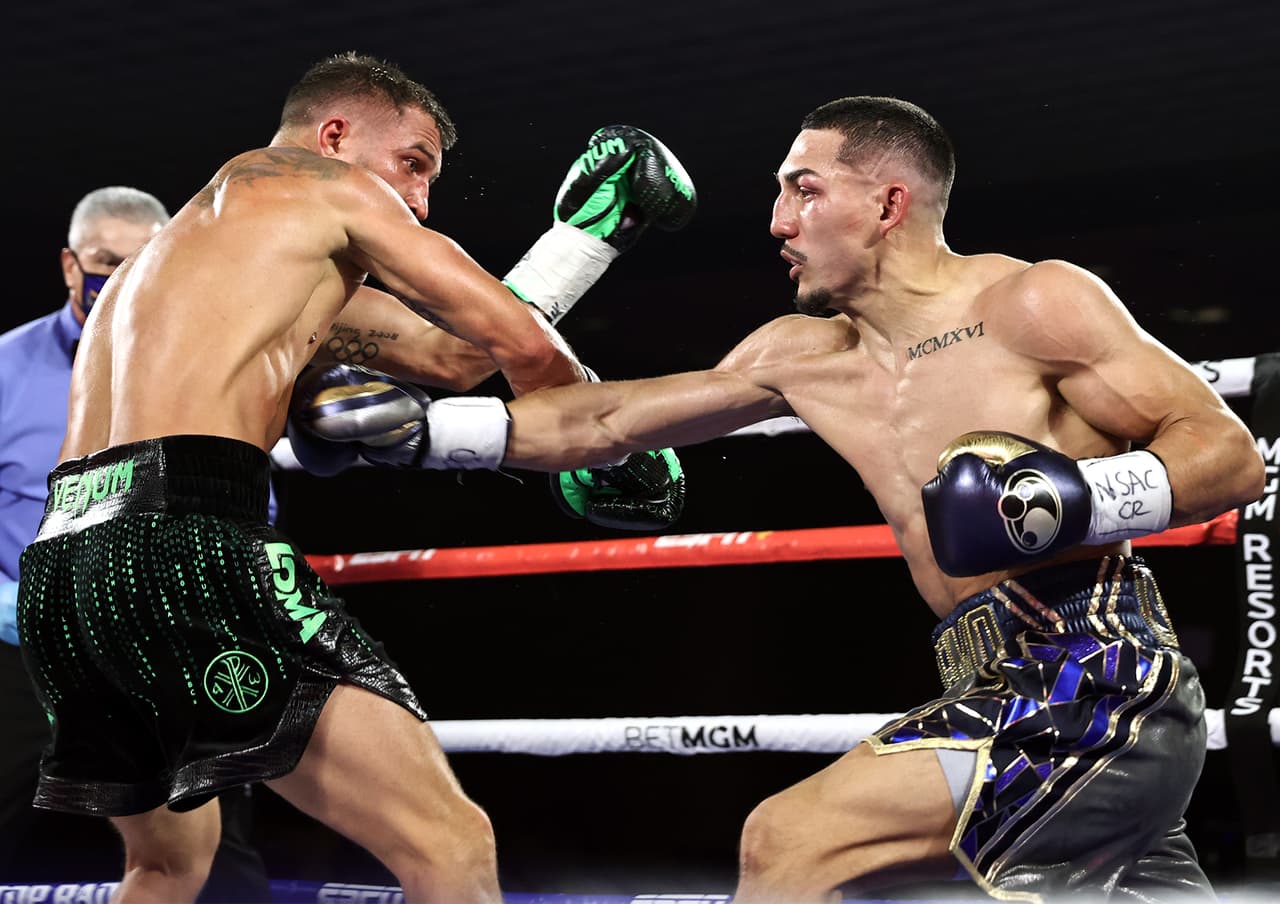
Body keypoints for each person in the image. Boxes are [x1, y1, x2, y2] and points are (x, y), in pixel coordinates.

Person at [304, 96, 1266, 901]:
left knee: (791, 839)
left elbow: (1227, 455)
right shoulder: (802, 354)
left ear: (888, 203)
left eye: (804, 190)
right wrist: (430, 434)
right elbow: (605, 423)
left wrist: (1070, 503)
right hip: (989, 678)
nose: (777, 221)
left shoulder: (1029, 305)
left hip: (1095, 673)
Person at [15, 52, 692, 903]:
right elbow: (525, 349)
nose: (418, 201)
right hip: (186, 543)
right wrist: (604, 443)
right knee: (449, 844)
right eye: (412, 164)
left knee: (164, 868)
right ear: (334, 135)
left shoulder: (194, 258)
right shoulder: (322, 184)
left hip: (65, 578)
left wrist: (584, 233)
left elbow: (454, 355)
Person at [0, 186, 271, 899]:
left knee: (216, 863)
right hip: (21, 653)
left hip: (168, 644)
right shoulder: (5, 368)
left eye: (139, 261)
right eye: (102, 260)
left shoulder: (213, 367)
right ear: (69, 265)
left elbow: (250, 507)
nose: (117, 276)